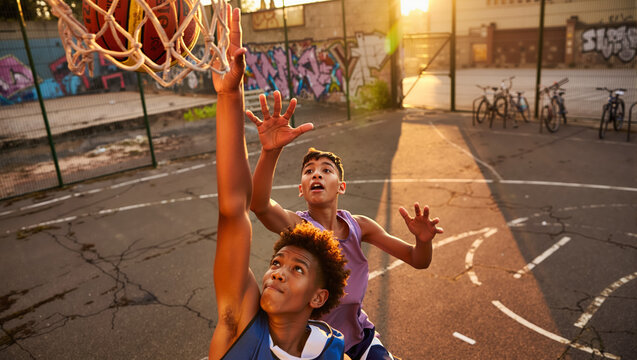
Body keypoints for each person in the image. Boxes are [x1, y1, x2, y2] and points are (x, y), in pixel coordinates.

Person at [246, 91, 444, 360]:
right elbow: (260, 205)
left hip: (358, 340)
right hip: (312, 346)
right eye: (309, 171)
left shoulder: (360, 226)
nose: (316, 173)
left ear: (341, 187)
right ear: (301, 190)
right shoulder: (299, 226)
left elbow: (417, 259)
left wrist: (423, 241)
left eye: (326, 169)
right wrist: (271, 151)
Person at [208, 5, 351, 360]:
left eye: (296, 269)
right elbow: (233, 210)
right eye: (276, 264)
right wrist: (229, 96)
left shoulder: (334, 352)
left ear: (318, 298)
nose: (277, 274)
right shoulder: (238, 325)